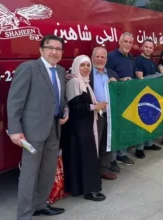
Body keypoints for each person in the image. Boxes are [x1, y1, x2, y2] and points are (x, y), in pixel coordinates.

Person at [7, 35, 68, 219]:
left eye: (58, 49)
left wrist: (66, 110)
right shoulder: (29, 68)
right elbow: (15, 101)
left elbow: (61, 98)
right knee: (29, 175)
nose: (54, 52)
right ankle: (24, 214)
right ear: (41, 50)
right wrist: (15, 130)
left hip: (54, 130)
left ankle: (41, 205)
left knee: (48, 171)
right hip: (32, 131)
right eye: (50, 47)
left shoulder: (60, 71)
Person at [62, 55, 106, 201]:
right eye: (83, 65)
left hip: (85, 127)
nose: (86, 68)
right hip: (78, 129)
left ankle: (83, 188)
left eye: (88, 65)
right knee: (86, 158)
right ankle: (89, 190)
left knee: (84, 158)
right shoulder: (74, 82)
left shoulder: (84, 82)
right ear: (76, 66)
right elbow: (76, 108)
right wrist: (95, 106)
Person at [106, 32, 135, 169]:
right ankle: (112, 159)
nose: (128, 45)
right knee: (115, 129)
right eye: (125, 41)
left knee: (125, 126)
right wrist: (120, 80)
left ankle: (122, 154)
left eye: (130, 42)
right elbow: (106, 73)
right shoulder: (111, 56)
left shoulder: (130, 57)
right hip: (115, 98)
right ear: (119, 41)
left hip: (128, 97)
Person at [89, 47, 119, 180]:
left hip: (110, 114)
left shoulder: (112, 74)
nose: (100, 59)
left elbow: (119, 93)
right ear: (92, 57)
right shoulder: (86, 72)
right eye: (97, 56)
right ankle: (92, 170)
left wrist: (118, 85)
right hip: (94, 115)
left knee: (107, 142)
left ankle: (104, 169)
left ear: (106, 59)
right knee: (93, 143)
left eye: (103, 57)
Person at [134, 39, 163, 158]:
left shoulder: (151, 61)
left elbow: (158, 77)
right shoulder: (138, 60)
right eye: (146, 47)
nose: (148, 49)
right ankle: (139, 148)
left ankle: (149, 143)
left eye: (150, 48)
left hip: (151, 95)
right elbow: (141, 79)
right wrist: (156, 76)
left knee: (150, 121)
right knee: (141, 123)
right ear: (142, 47)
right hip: (142, 96)